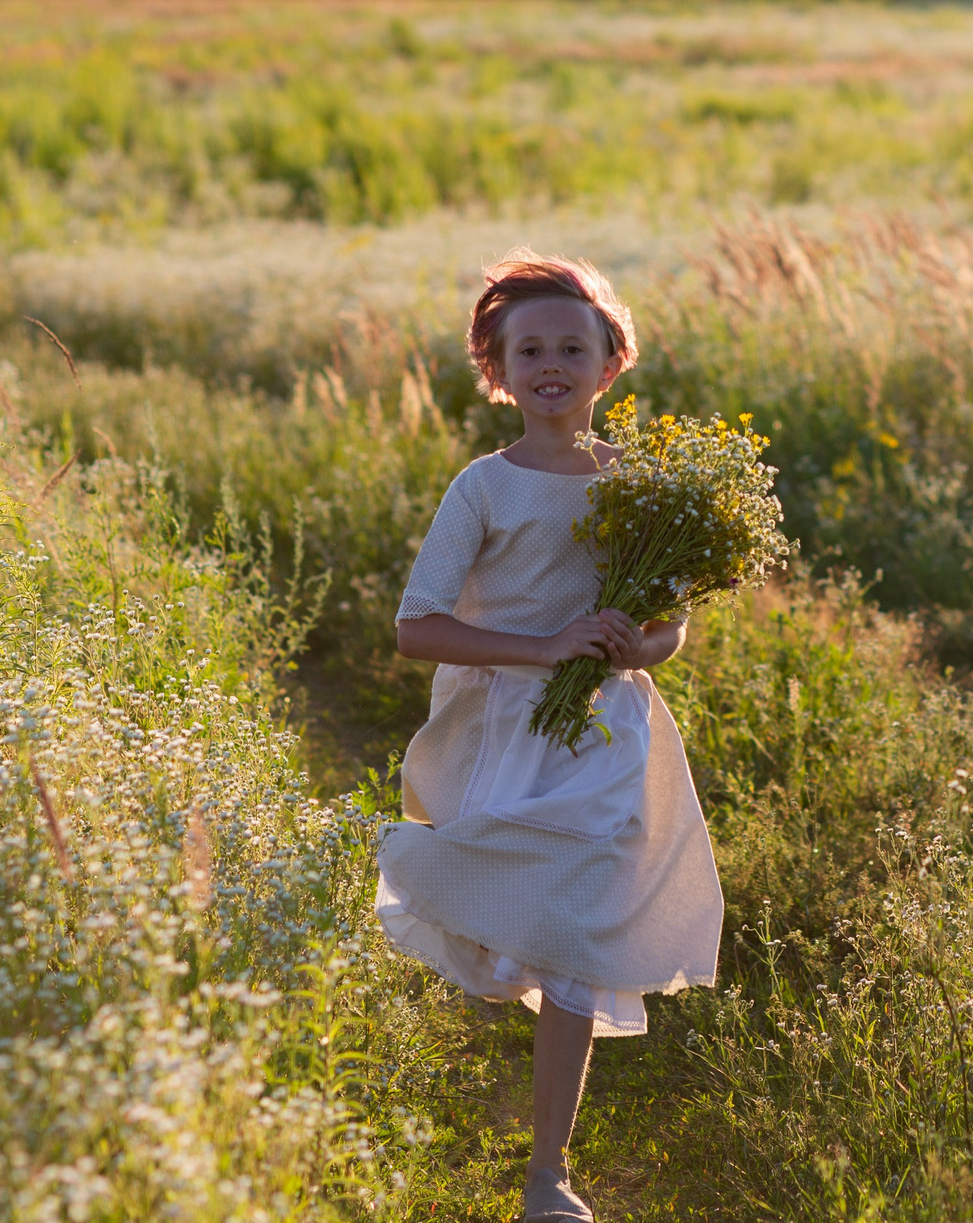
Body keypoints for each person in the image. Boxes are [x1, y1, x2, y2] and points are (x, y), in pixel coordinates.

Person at [376, 250, 723, 1223]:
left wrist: (634, 641)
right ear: (497, 369)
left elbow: (667, 626)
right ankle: (459, 1067)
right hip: (500, 728)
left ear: (612, 361)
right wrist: (545, 646)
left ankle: (547, 1176)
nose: (552, 362)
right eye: (529, 347)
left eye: (575, 344)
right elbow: (416, 627)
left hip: (605, 733)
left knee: (573, 938)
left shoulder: (644, 484)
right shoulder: (481, 488)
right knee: (495, 921)